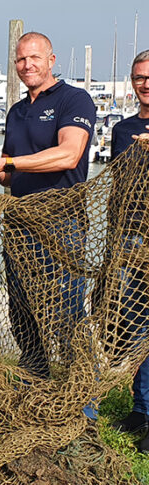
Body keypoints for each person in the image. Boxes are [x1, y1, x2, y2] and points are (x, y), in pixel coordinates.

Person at [0, 32, 96, 379]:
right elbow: (11, 174)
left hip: (61, 225)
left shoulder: (74, 100)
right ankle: (35, 375)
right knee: (21, 308)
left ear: (51, 61)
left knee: (67, 311)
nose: (27, 65)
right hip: (18, 224)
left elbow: (69, 155)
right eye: (21, 60)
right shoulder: (17, 111)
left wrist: (4, 164)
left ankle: (83, 395)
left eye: (34, 58)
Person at [108, 49, 149, 451]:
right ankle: (140, 409)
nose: (146, 83)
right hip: (128, 238)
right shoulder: (122, 130)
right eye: (139, 77)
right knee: (133, 327)